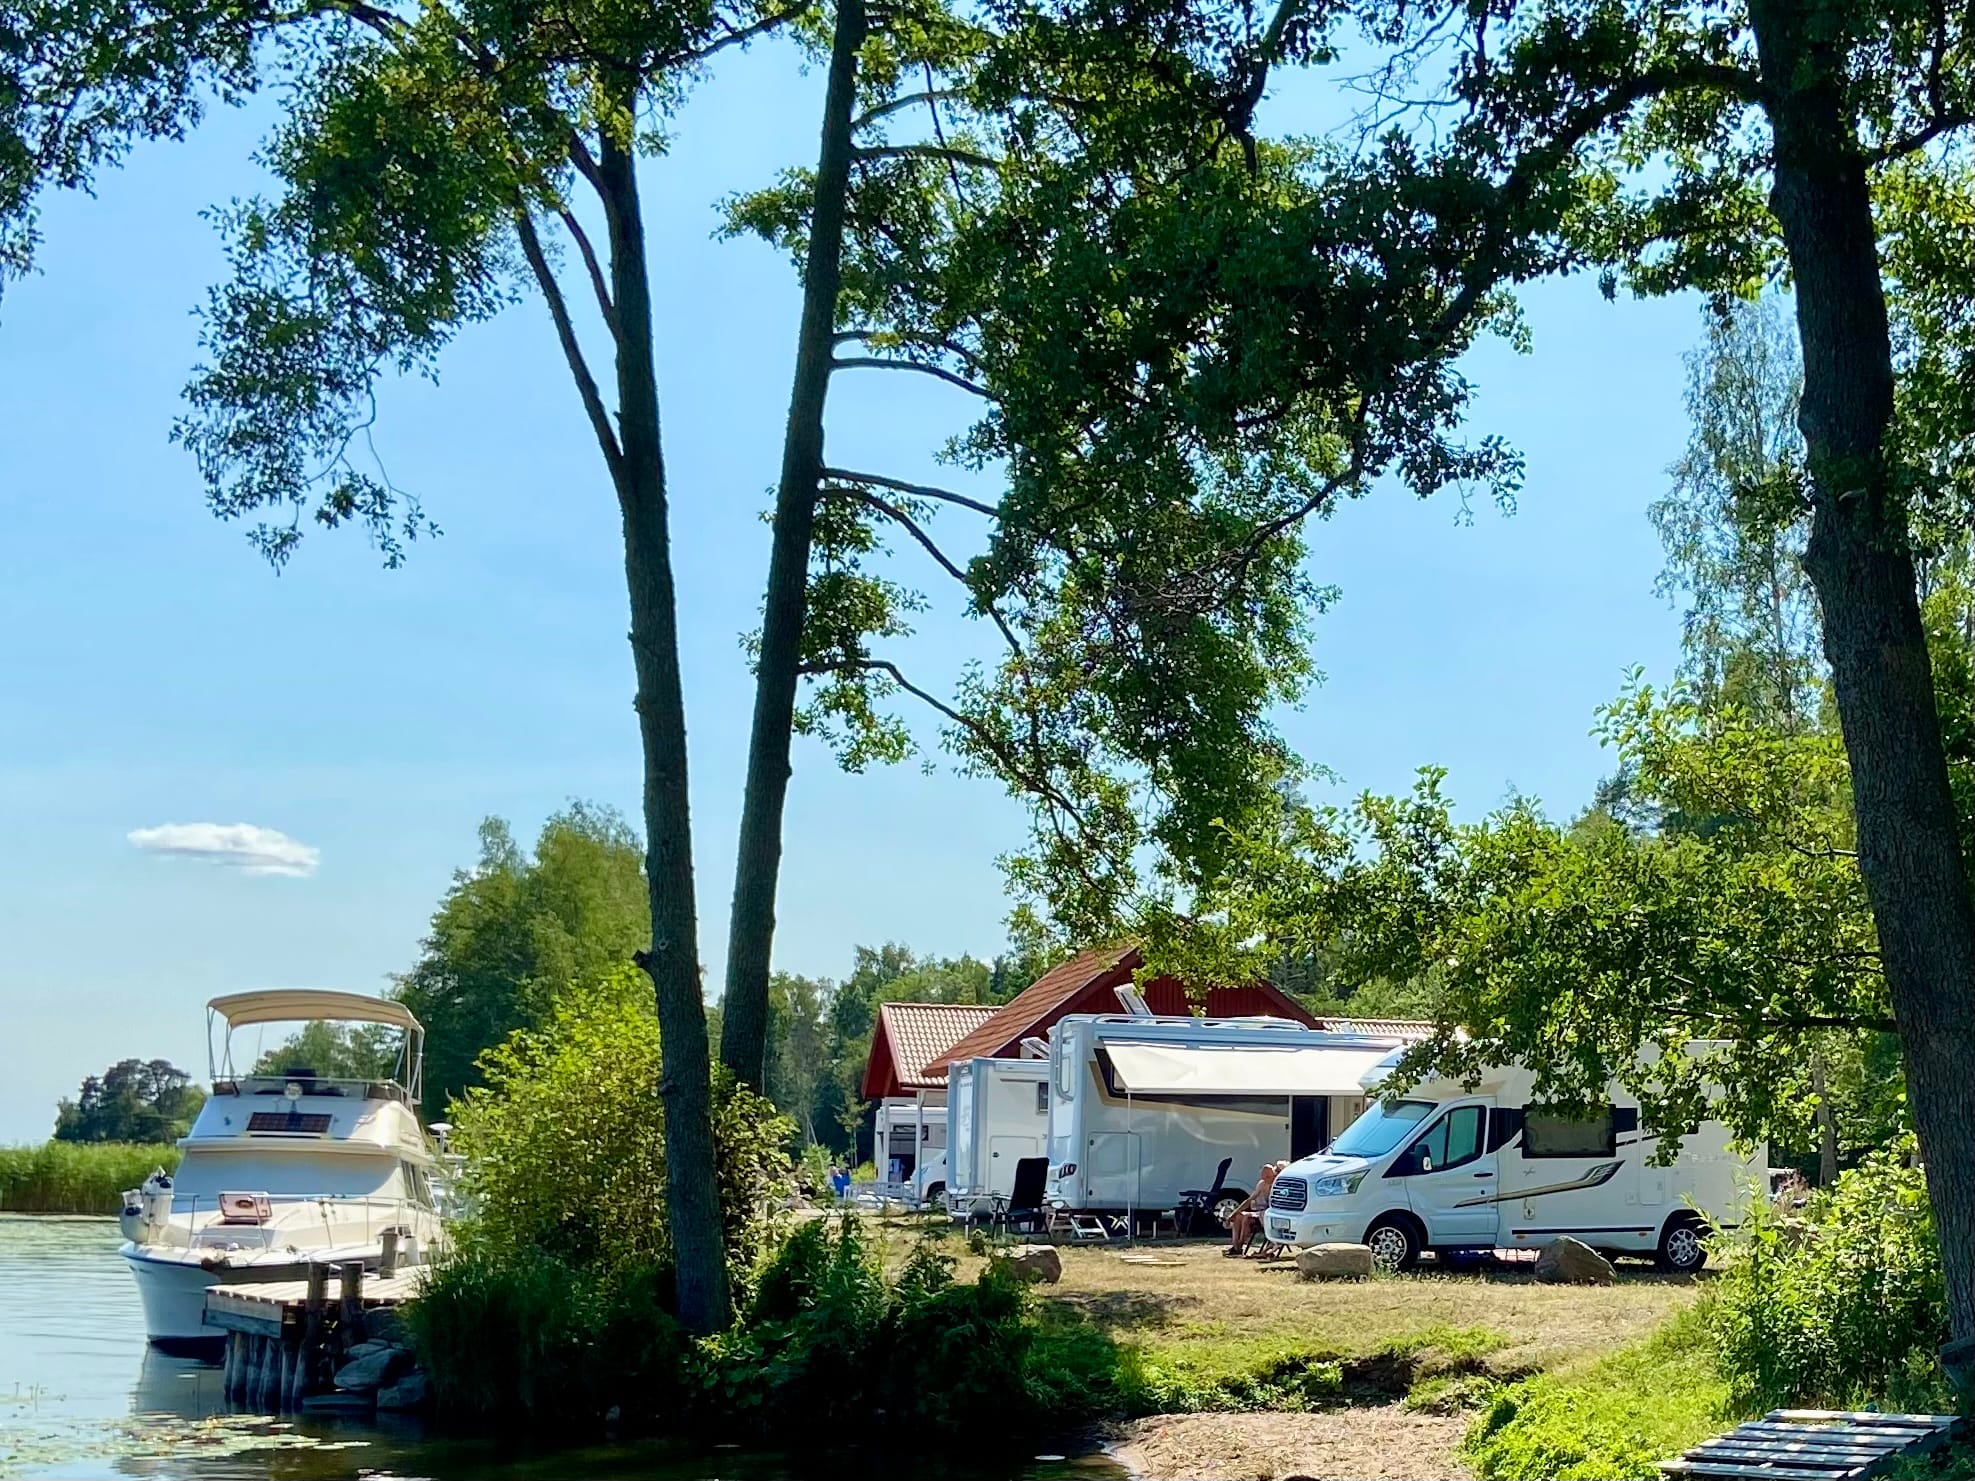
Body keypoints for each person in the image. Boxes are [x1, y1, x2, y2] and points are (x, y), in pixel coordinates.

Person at [1224, 1160, 1288, 1256]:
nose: (1266, 1178)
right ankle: (1236, 1247)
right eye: (1264, 1176)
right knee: (1238, 1216)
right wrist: (1232, 1214)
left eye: (1269, 1176)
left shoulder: (1280, 1185)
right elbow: (1249, 1200)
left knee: (1246, 1218)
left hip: (1271, 1214)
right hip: (1261, 1212)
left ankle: (1239, 1245)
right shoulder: (1262, 1184)